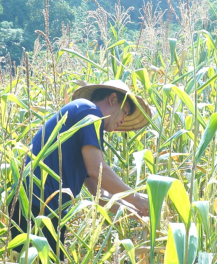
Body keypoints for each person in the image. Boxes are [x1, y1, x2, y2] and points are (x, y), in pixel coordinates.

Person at [8, 80, 152, 259]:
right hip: (36, 206)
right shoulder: (89, 111)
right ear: (112, 99)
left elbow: (98, 192)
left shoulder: (83, 121)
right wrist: (136, 197)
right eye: (125, 111)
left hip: (43, 210)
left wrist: (132, 210)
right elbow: (97, 169)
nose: (123, 120)